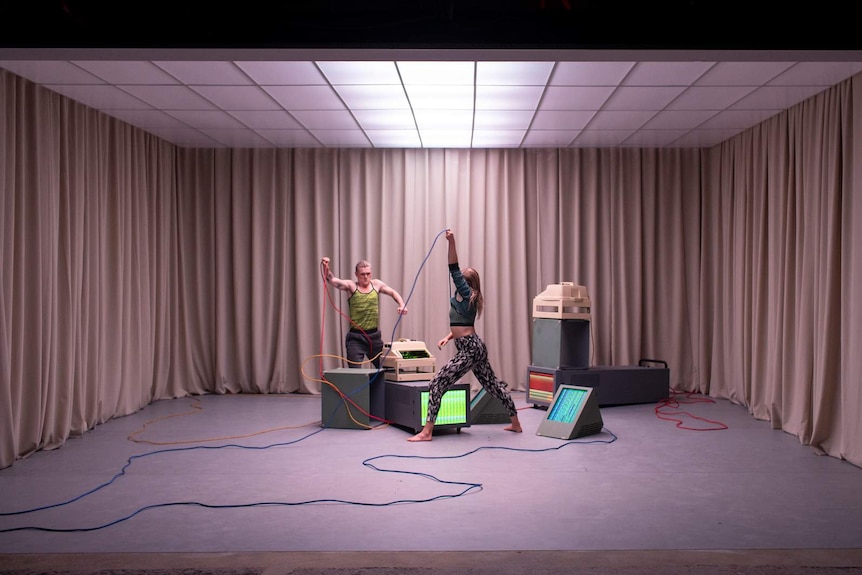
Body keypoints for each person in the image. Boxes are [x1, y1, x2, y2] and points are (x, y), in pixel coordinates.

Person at [408, 229, 522, 441]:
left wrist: (452, 242)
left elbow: (453, 267)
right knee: (492, 386)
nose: (457, 282)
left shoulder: (469, 294)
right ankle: (515, 423)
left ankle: (426, 432)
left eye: (461, 280)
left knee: (437, 383)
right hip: (472, 346)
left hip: (470, 348)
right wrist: (448, 336)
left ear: (467, 284)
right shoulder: (462, 298)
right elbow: (462, 324)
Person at [321, 257, 408, 369]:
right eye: (362, 274)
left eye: (368, 273)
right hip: (356, 338)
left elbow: (393, 292)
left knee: (387, 370)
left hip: (374, 337)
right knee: (355, 373)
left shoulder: (376, 284)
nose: (366, 277)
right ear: (356, 274)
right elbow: (332, 280)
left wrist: (402, 304)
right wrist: (326, 267)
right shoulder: (351, 286)